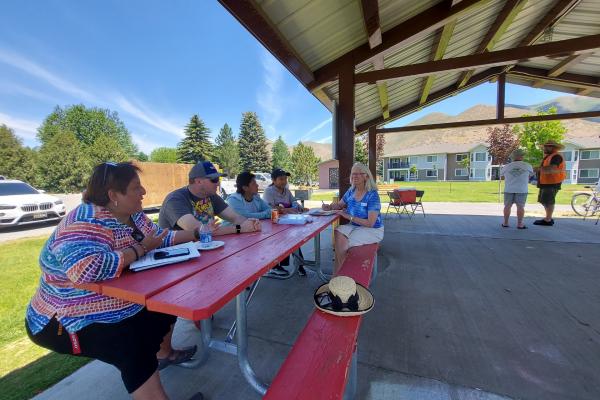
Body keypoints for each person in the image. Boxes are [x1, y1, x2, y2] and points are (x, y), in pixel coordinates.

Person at [25, 162, 204, 400]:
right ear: (113, 195)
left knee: (163, 308)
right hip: (66, 317)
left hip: (111, 302)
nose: (143, 192)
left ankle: (163, 355)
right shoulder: (83, 222)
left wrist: (198, 233)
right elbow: (84, 270)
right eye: (135, 188)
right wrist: (140, 249)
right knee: (131, 346)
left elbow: (159, 237)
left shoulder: (133, 215)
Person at [158, 161, 261, 235]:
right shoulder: (175, 200)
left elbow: (235, 217)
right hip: (179, 258)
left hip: (205, 251)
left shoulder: (211, 196)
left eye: (218, 178)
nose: (218, 183)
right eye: (214, 179)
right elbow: (199, 230)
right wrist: (239, 228)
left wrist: (250, 223)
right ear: (198, 181)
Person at [322, 163, 384, 273]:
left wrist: (348, 216)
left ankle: (341, 275)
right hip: (354, 226)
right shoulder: (351, 191)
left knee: (342, 245)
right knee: (338, 232)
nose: (354, 176)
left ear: (366, 176)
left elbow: (370, 223)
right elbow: (340, 205)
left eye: (358, 174)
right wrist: (330, 206)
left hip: (372, 230)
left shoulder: (372, 195)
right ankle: (342, 275)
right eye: (353, 174)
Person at [262, 168, 308, 276]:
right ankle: (274, 266)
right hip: (274, 224)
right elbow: (272, 209)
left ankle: (299, 265)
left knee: (295, 239)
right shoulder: (269, 191)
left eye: (285, 179)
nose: (284, 181)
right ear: (273, 180)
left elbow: (293, 202)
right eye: (281, 179)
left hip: (287, 221)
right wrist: (288, 209)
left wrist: (299, 207)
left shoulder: (286, 190)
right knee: (281, 242)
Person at [534, 140, 566, 226]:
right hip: (546, 182)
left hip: (552, 182)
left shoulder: (556, 157)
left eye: (547, 146)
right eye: (545, 146)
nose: (544, 148)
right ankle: (548, 218)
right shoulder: (549, 157)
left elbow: (552, 169)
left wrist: (538, 169)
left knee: (549, 201)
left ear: (553, 148)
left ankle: (548, 220)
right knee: (543, 200)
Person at [500, 149, 534, 229]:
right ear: (522, 156)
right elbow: (531, 176)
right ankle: (520, 224)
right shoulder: (527, 166)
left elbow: (502, 176)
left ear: (512, 157)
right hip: (522, 189)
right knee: (520, 207)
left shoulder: (507, 166)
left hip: (509, 189)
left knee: (507, 206)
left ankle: (505, 223)